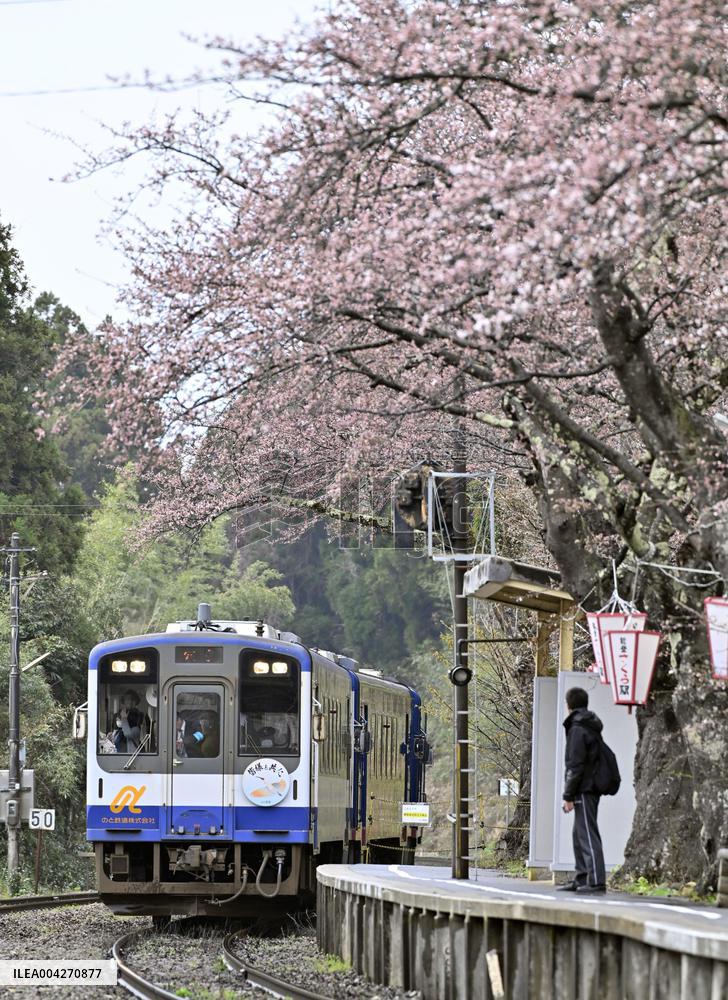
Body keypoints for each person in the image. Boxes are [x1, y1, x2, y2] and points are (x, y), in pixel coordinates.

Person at [557, 687, 606, 894]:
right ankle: (582, 877)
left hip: (585, 788)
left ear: (568, 704)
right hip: (587, 786)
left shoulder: (578, 729)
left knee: (586, 833)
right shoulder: (588, 725)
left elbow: (575, 765)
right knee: (579, 833)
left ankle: (595, 881)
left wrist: (568, 795)